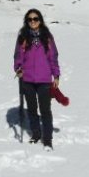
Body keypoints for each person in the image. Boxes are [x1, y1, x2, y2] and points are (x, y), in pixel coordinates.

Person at [13, 8, 61, 149]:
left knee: (45, 110)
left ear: (40, 20)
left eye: (35, 19)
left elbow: (53, 57)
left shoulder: (47, 37)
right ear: (26, 21)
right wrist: (18, 68)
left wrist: (56, 75)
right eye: (30, 19)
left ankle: (47, 139)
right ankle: (36, 134)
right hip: (27, 79)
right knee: (32, 109)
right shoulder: (23, 37)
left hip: (44, 79)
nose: (33, 22)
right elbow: (17, 56)